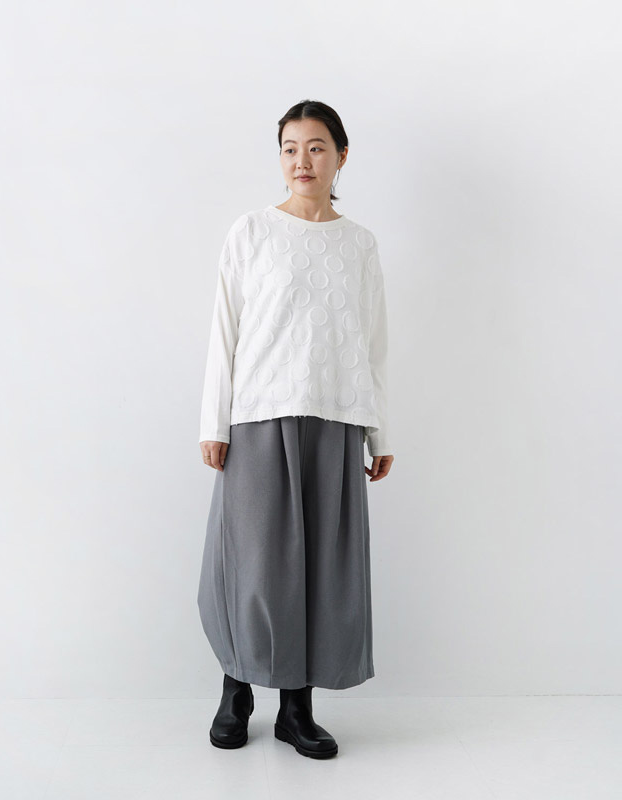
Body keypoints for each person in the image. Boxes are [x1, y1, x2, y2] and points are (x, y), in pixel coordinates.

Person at [196, 99, 394, 759]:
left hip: (336, 418)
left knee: (319, 570)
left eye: (315, 147)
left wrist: (381, 434)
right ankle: (236, 689)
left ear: (341, 155)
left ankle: (296, 709)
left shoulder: (359, 244)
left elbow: (374, 342)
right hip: (258, 415)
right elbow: (224, 329)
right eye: (289, 148)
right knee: (255, 564)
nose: (301, 161)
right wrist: (214, 421)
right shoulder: (252, 231)